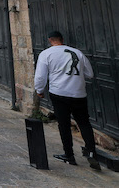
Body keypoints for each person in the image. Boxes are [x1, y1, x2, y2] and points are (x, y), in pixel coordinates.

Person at [34, 31, 100, 171]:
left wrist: (39, 90)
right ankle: (92, 151)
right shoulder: (78, 52)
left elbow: (40, 76)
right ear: (62, 40)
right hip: (78, 93)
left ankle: (69, 155)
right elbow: (90, 74)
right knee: (84, 123)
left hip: (59, 93)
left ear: (49, 40)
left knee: (63, 124)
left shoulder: (46, 54)